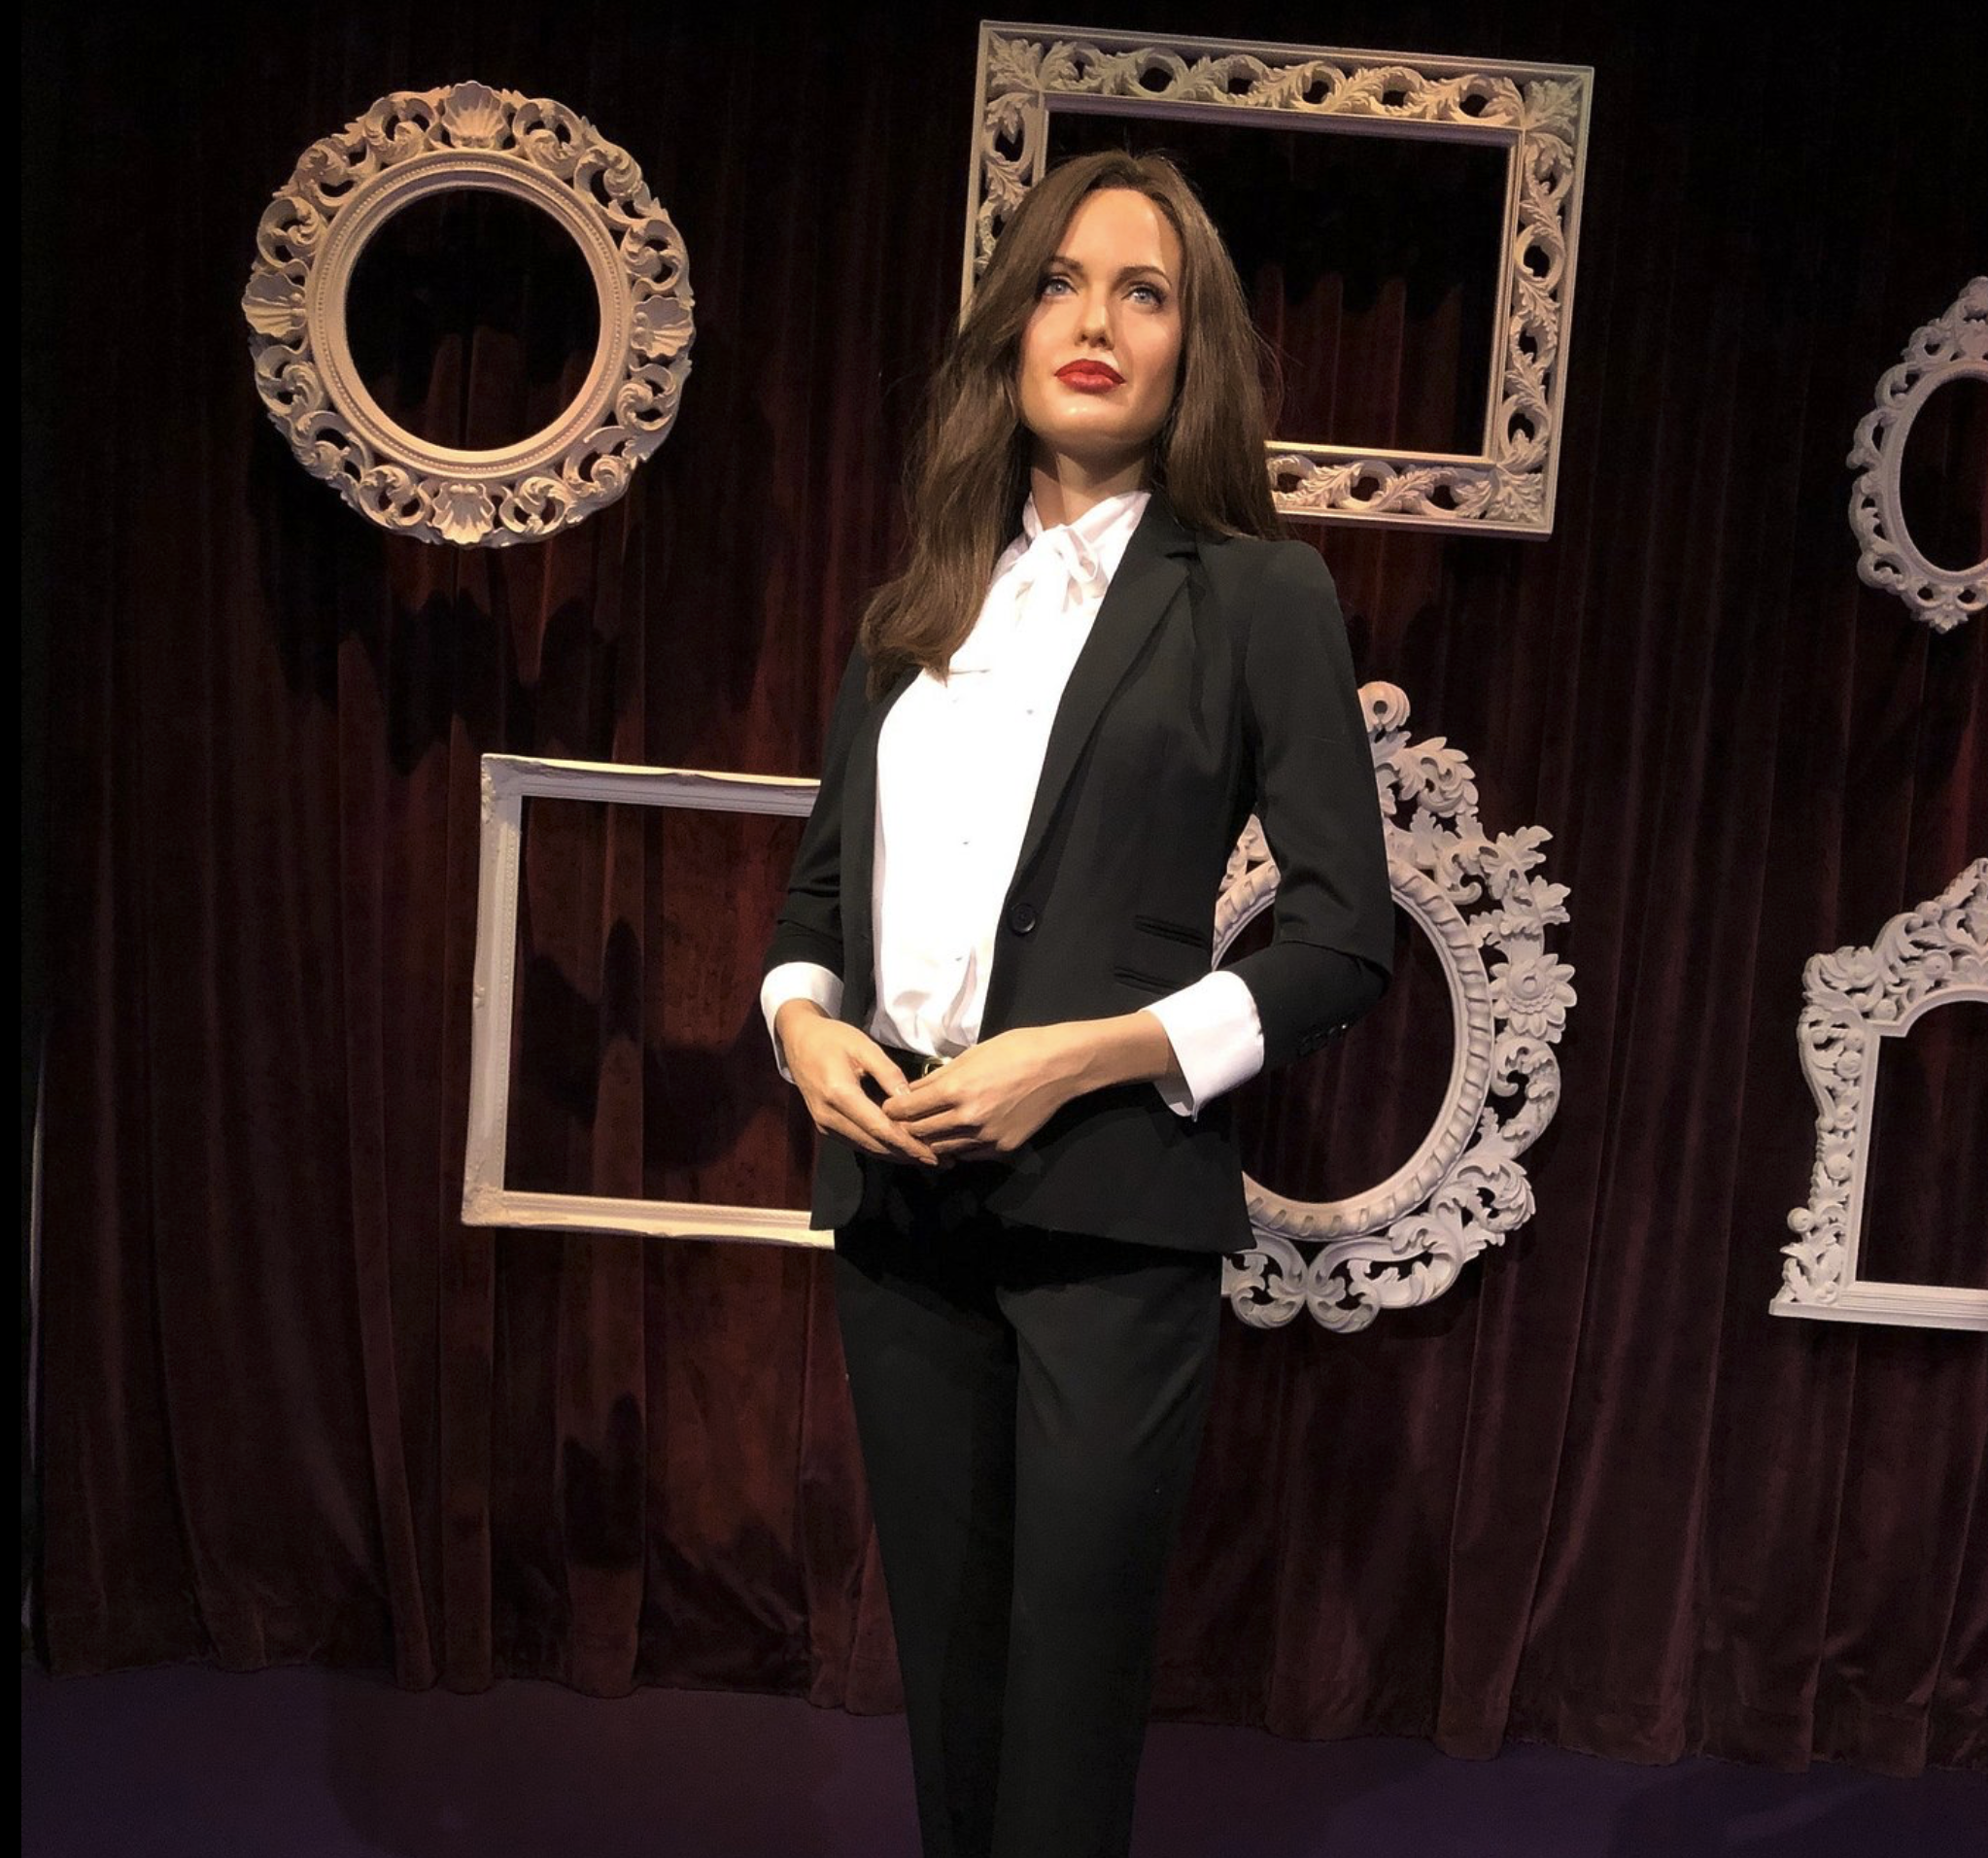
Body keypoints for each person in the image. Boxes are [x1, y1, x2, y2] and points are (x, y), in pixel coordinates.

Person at [761, 150, 1392, 1858]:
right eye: (1058, 281)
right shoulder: (914, 600)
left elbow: (1344, 939)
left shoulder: (1256, 591)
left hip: (1110, 1213)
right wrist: (803, 1028)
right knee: (950, 1687)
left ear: (1194, 351)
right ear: (1008, 327)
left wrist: (1096, 1055)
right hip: (898, 1204)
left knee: (1067, 1694)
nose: (1094, 320)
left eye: (1143, 291)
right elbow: (815, 901)